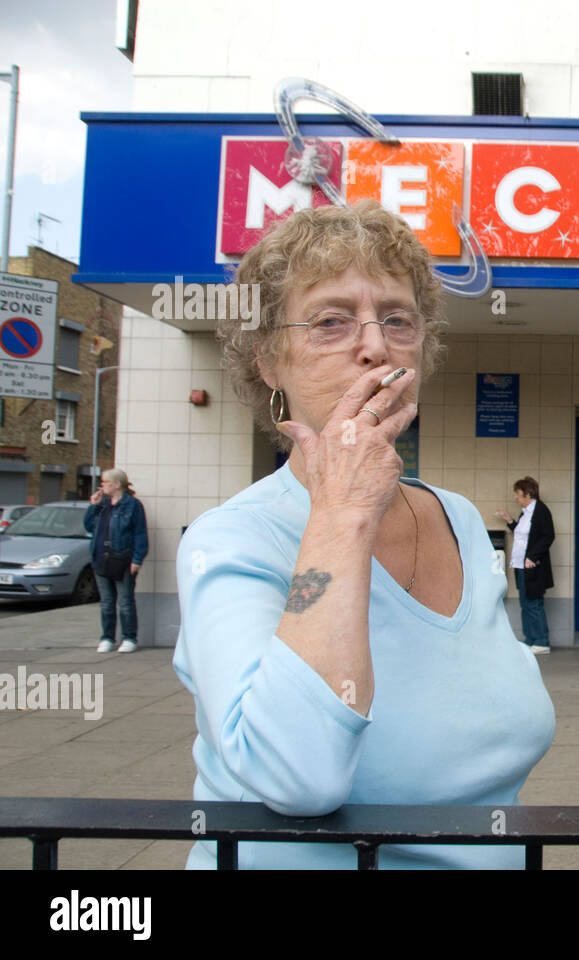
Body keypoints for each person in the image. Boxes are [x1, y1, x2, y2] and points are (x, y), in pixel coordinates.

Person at [173, 200, 555, 869]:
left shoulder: (459, 519)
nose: (374, 344)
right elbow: (296, 776)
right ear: (269, 361)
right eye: (330, 321)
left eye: (397, 320)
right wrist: (343, 512)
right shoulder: (231, 539)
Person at [84, 468, 148, 654]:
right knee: (106, 602)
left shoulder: (132, 505)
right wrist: (93, 506)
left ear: (116, 484)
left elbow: (140, 534)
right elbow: (89, 527)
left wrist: (137, 559)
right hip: (101, 559)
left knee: (125, 601)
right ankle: (107, 638)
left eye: (105, 482)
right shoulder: (102, 505)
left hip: (122, 559)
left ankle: (129, 638)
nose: (101, 485)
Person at [495, 477, 554, 654]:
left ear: (528, 493)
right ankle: (531, 639)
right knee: (525, 603)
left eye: (518, 494)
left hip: (532, 566)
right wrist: (510, 521)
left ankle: (542, 641)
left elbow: (548, 536)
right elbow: (523, 535)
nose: (516, 498)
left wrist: (532, 557)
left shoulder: (541, 511)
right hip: (521, 565)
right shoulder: (526, 512)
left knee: (534, 603)